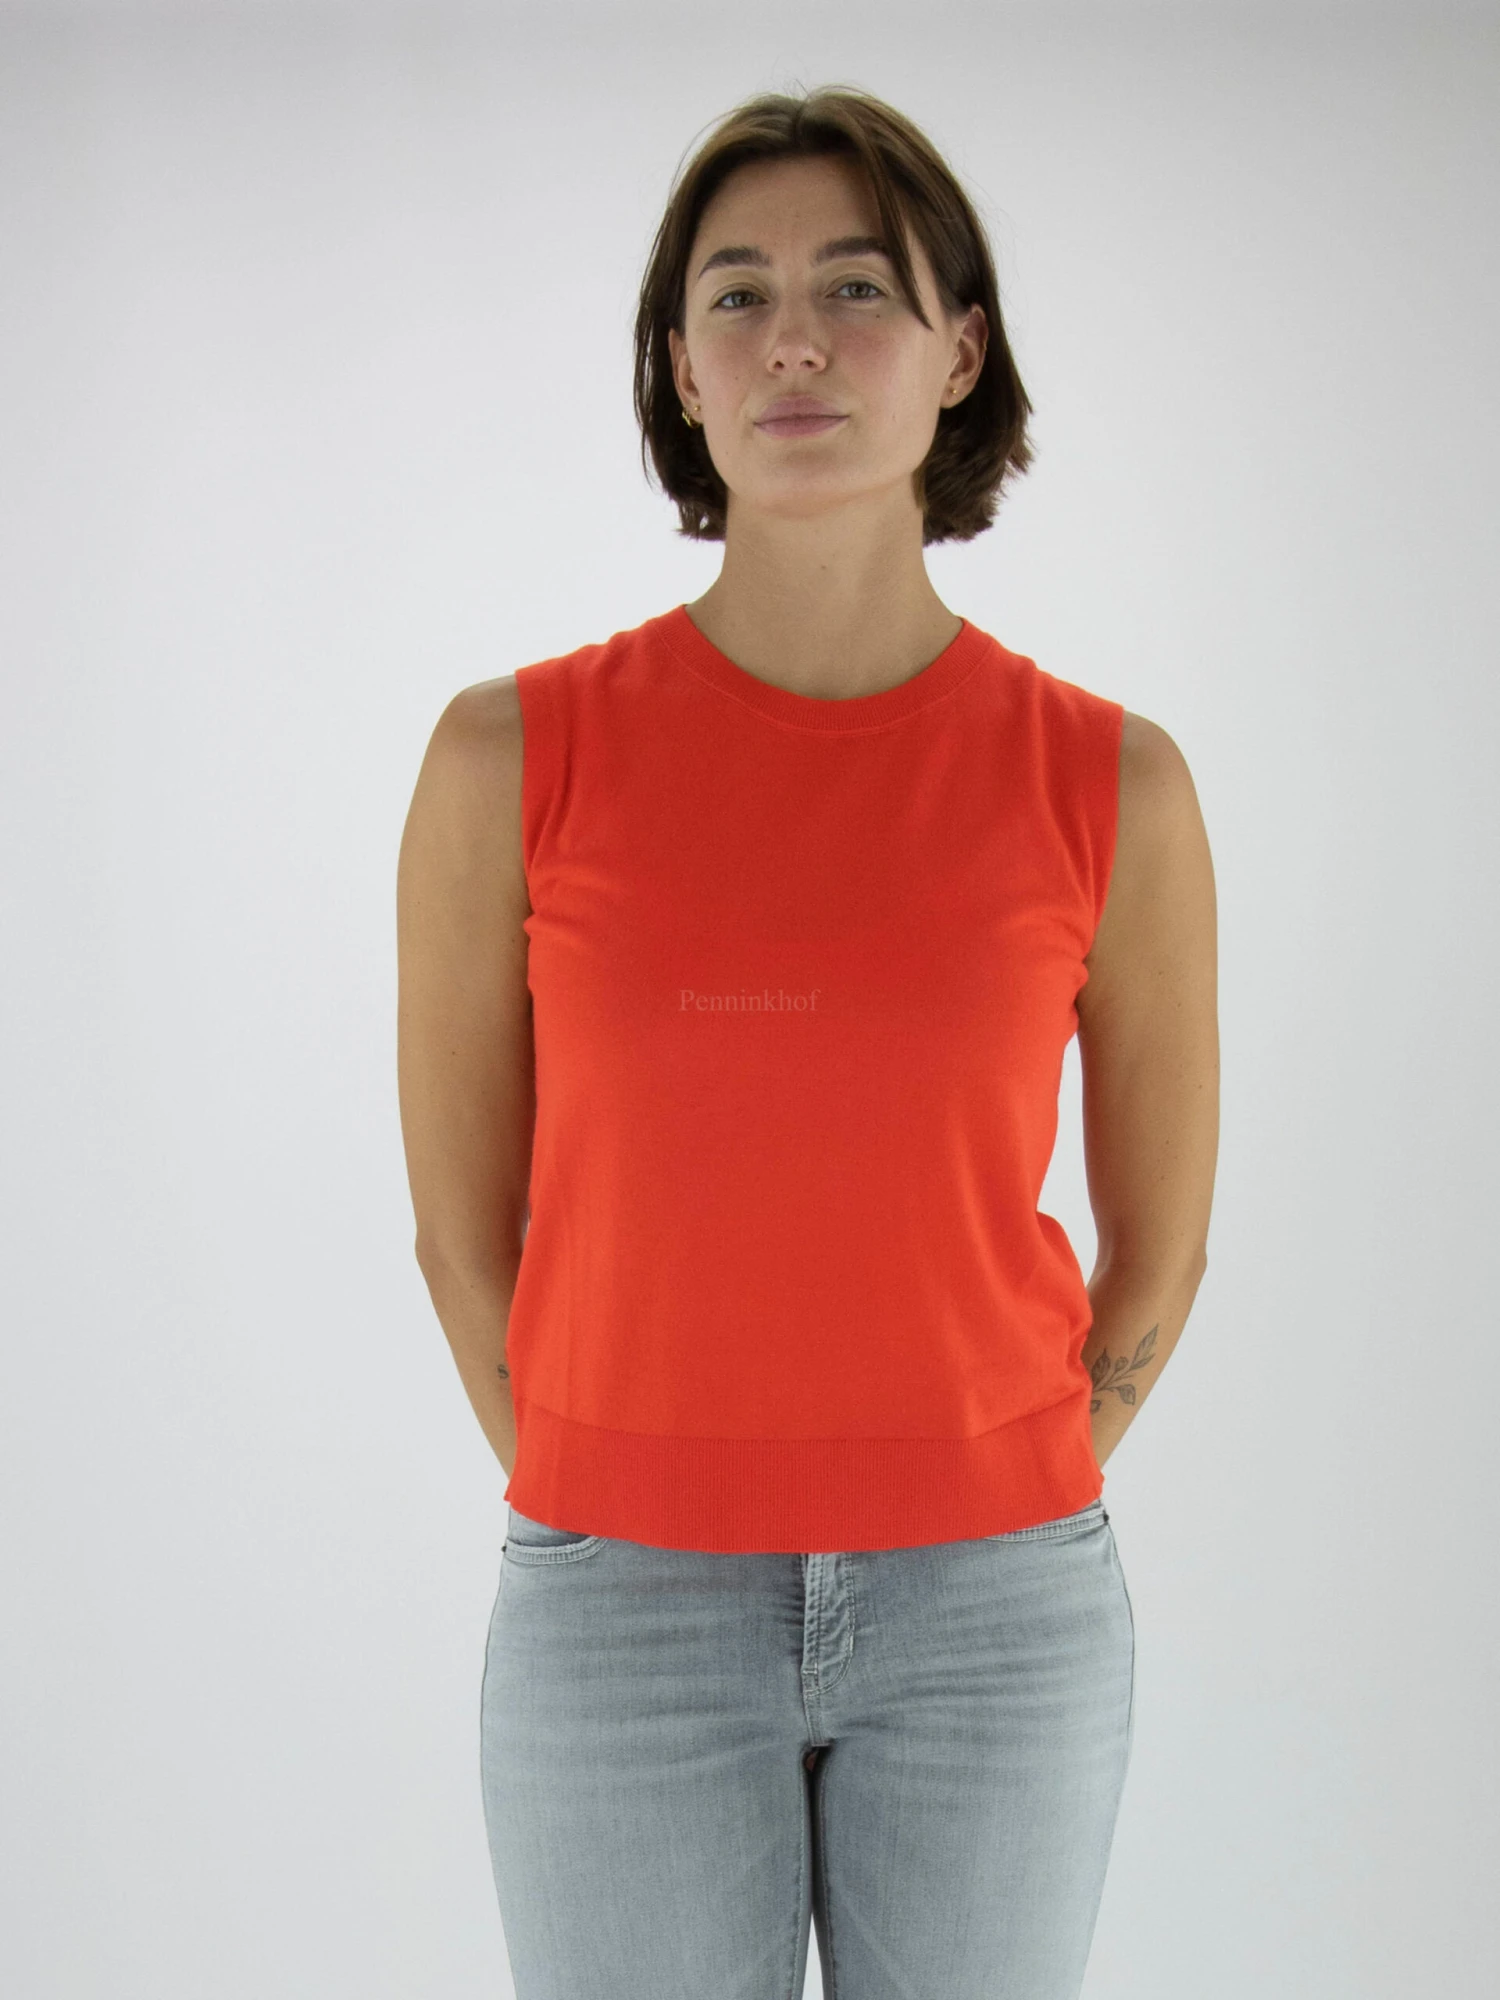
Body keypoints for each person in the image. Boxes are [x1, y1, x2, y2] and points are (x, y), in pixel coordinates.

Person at [397, 83, 1218, 2000]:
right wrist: (615, 1484)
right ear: (680, 368)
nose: (794, 339)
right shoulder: (509, 760)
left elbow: (1160, 1252)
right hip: (619, 1618)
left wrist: (990, 1473)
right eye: (737, 294)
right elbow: (461, 1230)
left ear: (960, 352)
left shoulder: (1113, 783)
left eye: (857, 286)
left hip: (1000, 1622)